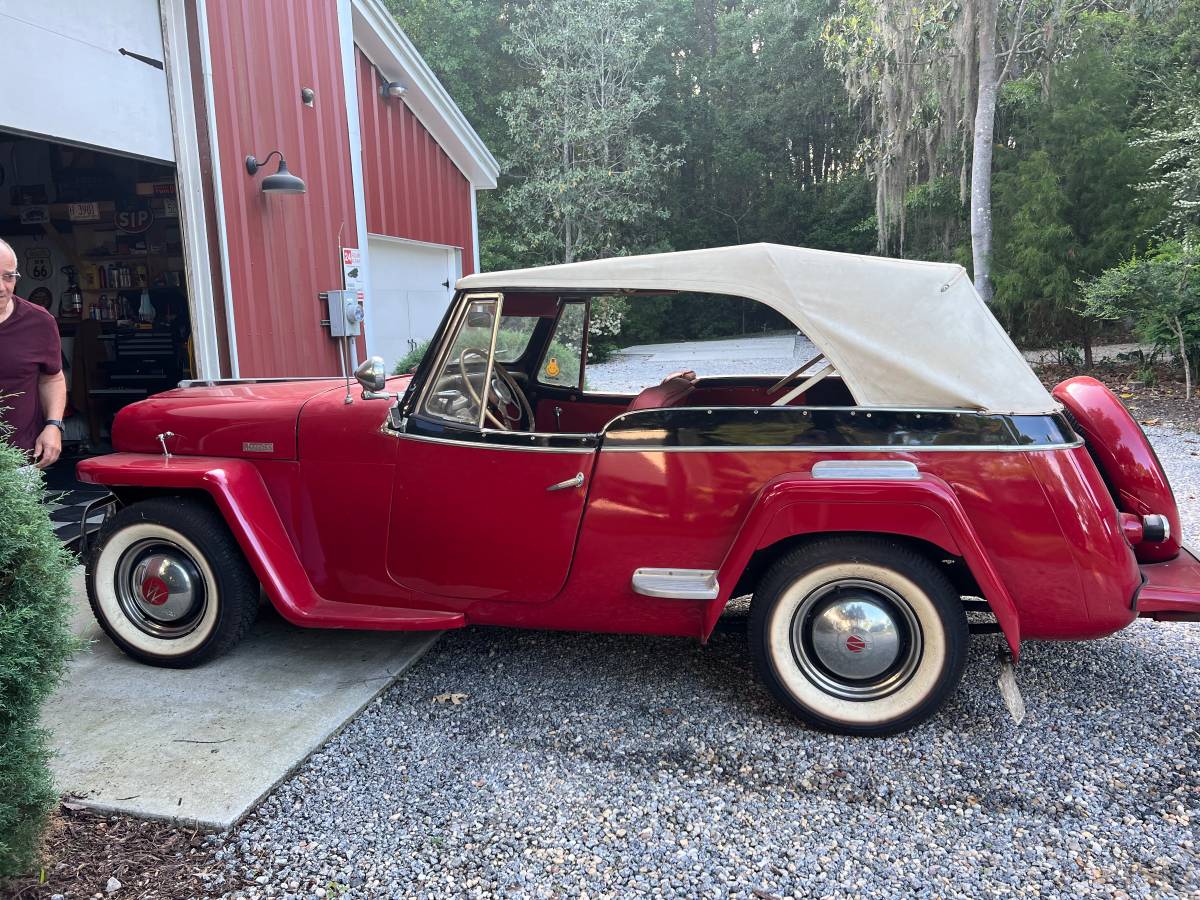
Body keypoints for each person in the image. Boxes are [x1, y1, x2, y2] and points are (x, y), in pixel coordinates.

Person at [0, 238, 66, 468]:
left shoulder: (39, 321)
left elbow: (53, 377)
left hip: (21, 457)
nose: (1, 287)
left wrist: (53, 425)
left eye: (8, 277)